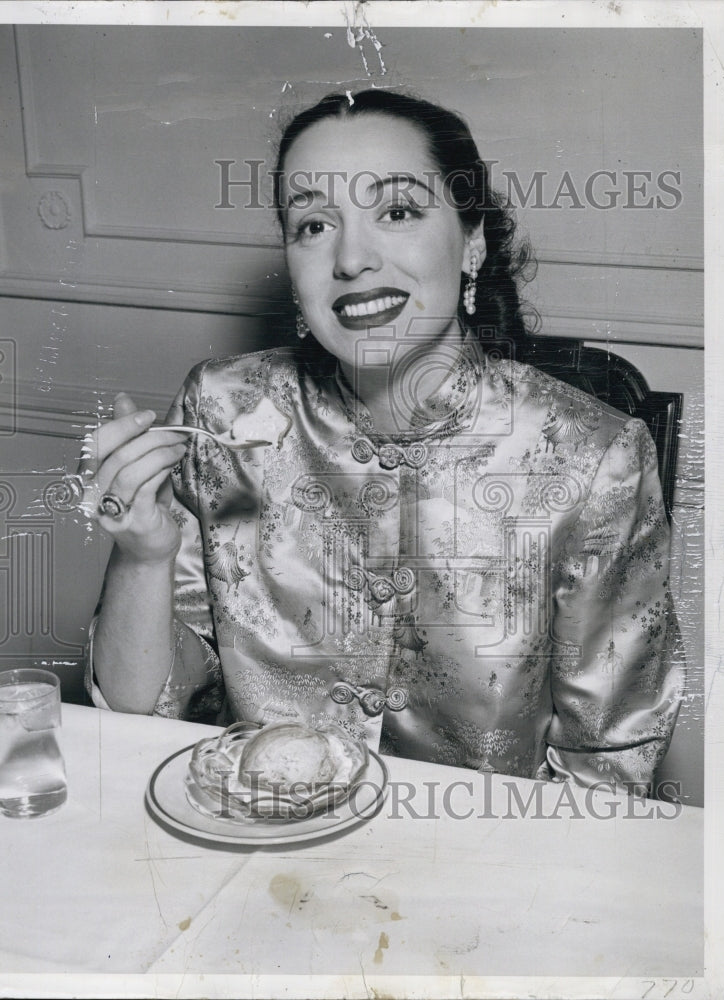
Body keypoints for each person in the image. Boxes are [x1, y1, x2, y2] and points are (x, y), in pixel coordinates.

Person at [75, 89, 683, 795]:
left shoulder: (594, 456)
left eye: (397, 212)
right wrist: (142, 557)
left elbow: (607, 768)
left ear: (473, 242)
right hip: (261, 843)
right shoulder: (221, 409)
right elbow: (136, 714)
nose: (352, 259)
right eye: (312, 225)